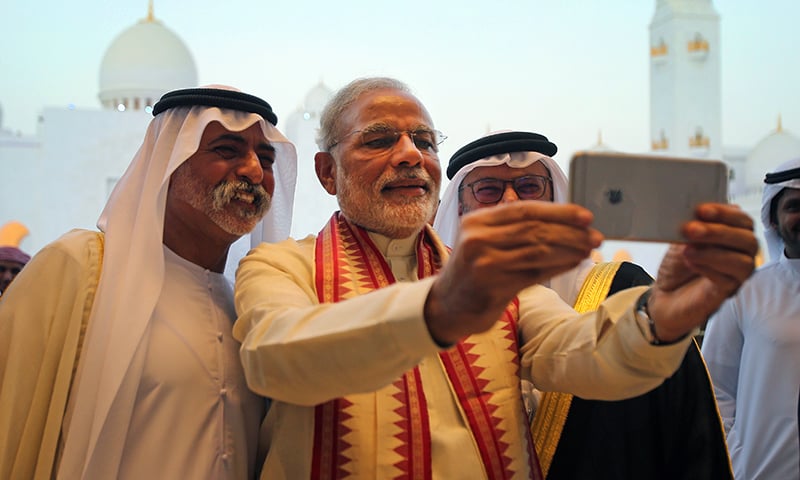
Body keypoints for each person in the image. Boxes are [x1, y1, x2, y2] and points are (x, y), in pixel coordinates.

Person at [233, 76, 757, 479]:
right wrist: (439, 309)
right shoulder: (281, 267)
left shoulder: (495, 282)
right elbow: (275, 357)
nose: (412, 154)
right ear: (328, 172)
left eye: (423, 140)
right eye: (379, 140)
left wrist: (660, 315)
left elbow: (582, 353)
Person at [0, 85, 297, 479]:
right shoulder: (81, 271)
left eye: (266, 158)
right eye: (226, 150)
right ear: (168, 163)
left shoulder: (250, 305)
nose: (254, 171)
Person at [434, 130, 733, 479]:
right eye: (488, 191)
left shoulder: (627, 290)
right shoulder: (433, 314)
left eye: (530, 187)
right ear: (460, 208)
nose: (512, 202)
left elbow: (687, 426)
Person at [702, 157, 800, 479]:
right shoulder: (745, 290)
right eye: (795, 205)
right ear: (773, 217)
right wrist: (735, 455)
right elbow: (715, 387)